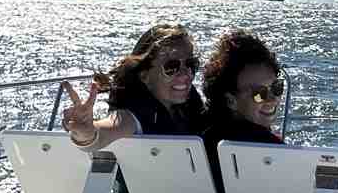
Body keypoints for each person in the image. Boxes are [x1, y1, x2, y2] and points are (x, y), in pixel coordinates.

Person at [60, 22, 205, 151]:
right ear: (144, 75)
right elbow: (108, 130)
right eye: (171, 67)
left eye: (191, 64)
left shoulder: (190, 104)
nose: (185, 75)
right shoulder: (133, 115)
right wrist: (86, 134)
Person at [201, 28, 285, 147]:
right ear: (230, 101)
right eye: (259, 93)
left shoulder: (205, 135)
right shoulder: (272, 147)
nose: (272, 100)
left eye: (276, 87)